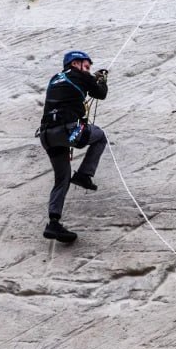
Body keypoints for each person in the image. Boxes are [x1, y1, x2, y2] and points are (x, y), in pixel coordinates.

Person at [38, 50, 109, 243]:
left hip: (47, 135)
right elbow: (100, 94)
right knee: (100, 136)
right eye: (86, 65)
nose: (88, 69)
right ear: (75, 63)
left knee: (62, 178)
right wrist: (101, 80)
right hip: (67, 130)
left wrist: (90, 80)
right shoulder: (80, 75)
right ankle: (84, 175)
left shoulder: (55, 78)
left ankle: (53, 222)